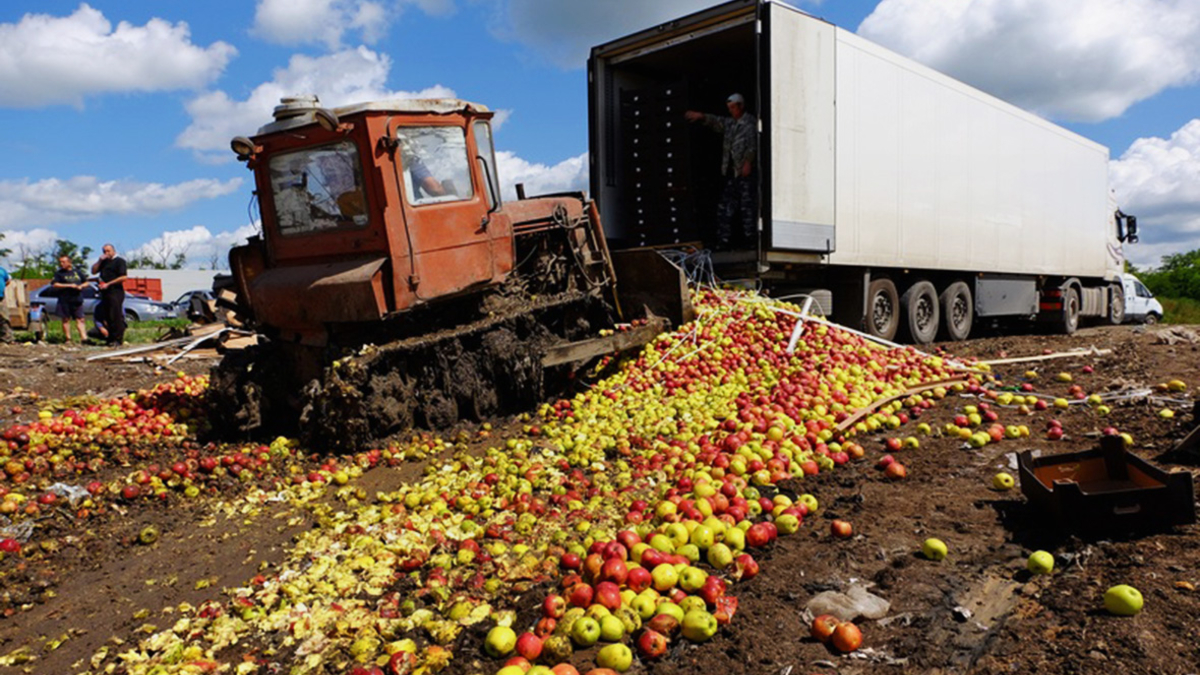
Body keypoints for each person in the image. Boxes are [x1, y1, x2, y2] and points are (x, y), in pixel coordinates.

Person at [685, 92, 759, 250]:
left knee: (748, 208)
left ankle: (752, 241)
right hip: (732, 174)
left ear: (741, 106)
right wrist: (701, 116)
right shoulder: (731, 124)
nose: (731, 111)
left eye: (733, 107)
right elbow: (717, 121)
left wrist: (748, 162)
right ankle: (723, 241)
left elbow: (753, 144)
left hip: (745, 174)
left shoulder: (750, 123)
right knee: (724, 207)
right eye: (729, 108)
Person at [91, 244, 127, 346]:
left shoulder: (120, 261)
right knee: (107, 316)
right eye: (104, 251)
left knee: (115, 315)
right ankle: (110, 338)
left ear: (113, 251)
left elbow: (123, 277)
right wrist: (99, 261)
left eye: (108, 251)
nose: (106, 253)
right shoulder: (104, 262)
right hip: (105, 293)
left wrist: (108, 284)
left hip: (115, 291)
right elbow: (93, 271)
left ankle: (118, 338)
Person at [51, 255, 88, 344]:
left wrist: (81, 286)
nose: (62, 264)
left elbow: (86, 282)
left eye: (63, 262)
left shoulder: (77, 272)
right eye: (60, 262)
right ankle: (68, 339)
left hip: (77, 299)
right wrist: (69, 285)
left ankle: (84, 338)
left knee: (80, 319)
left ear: (69, 262)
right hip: (65, 300)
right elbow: (55, 284)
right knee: (66, 319)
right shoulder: (59, 273)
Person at [0, 265, 11, 344]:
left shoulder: (2, 270)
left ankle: (5, 338)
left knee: (3, 317)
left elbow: (8, 280)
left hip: (1, 296)